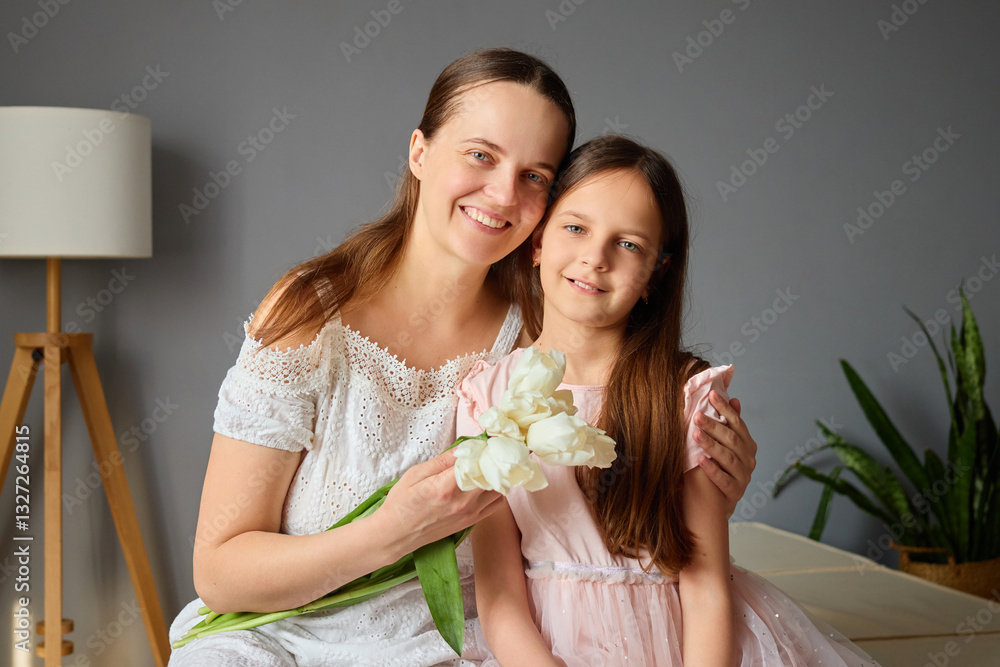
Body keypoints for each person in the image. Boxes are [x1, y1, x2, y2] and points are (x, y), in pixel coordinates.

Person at [168, 50, 759, 666]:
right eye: (481, 155)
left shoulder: (542, 337)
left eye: (535, 176)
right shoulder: (311, 316)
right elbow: (220, 570)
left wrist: (703, 475)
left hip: (454, 647)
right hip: (280, 637)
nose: (503, 193)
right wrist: (390, 532)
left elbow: (614, 504)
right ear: (420, 152)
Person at [460, 135, 881, 666]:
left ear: (656, 273)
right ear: (539, 241)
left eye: (629, 244)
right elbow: (499, 597)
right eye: (576, 228)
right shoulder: (487, 398)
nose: (595, 258)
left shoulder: (684, 396)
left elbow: (706, 589)